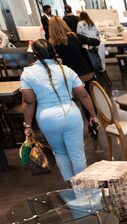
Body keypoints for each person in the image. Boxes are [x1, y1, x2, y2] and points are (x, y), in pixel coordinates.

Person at [20, 39, 99, 181]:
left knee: (60, 153)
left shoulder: (28, 73)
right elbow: (84, 95)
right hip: (71, 114)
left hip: (46, 117)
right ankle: (85, 190)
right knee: (77, 154)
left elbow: (28, 102)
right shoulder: (66, 70)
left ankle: (70, 185)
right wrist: (93, 115)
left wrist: (28, 125)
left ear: (35, 54)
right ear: (52, 51)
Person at [48, 17, 99, 135]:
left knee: (77, 100)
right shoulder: (74, 37)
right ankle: (94, 121)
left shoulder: (52, 44)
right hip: (86, 72)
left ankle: (78, 126)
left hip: (70, 75)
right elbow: (96, 41)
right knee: (89, 98)